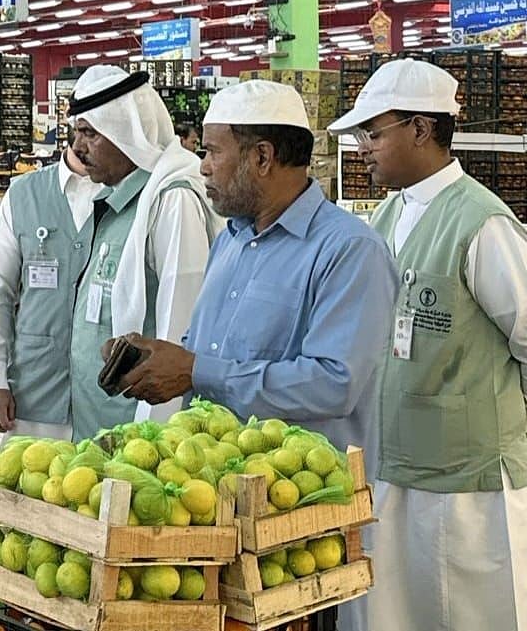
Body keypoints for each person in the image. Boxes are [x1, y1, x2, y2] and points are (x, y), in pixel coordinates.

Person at [327, 59, 527, 631]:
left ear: (420, 128)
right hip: (393, 461)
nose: (363, 148)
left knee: (471, 610)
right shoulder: (386, 215)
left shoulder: (482, 223)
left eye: (373, 133)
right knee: (392, 609)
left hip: (467, 480)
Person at [109, 79, 398, 462]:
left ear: (262, 157)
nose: (203, 167)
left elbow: (334, 384)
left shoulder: (349, 250)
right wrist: (155, 361)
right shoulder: (230, 241)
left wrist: (196, 371)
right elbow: (207, 353)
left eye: (213, 152)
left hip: (300, 489)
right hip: (214, 478)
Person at [63, 66, 221, 440]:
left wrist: (160, 435)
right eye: (76, 133)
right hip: (96, 423)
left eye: (89, 134)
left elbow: (180, 326)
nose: (77, 147)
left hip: (142, 435)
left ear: (127, 133)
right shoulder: (111, 200)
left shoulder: (171, 200)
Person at [0, 144, 102, 441]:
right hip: (32, 389)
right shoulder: (23, 195)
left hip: (104, 395)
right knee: (23, 468)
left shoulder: (132, 196)